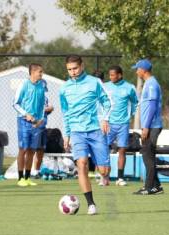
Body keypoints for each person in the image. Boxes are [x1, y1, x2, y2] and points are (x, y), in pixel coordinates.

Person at [59, 55, 112, 215]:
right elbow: (65, 113)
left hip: (96, 130)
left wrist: (104, 118)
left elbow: (107, 101)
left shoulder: (95, 82)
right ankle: (91, 204)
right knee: (81, 164)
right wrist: (67, 134)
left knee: (104, 171)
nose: (72, 72)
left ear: (82, 66)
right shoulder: (64, 88)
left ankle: (102, 172)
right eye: (69, 69)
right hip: (77, 132)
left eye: (75, 68)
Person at [132, 59, 164, 195]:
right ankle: (156, 186)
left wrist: (146, 127)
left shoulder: (151, 84)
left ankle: (148, 187)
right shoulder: (149, 83)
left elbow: (151, 106)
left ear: (144, 70)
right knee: (148, 154)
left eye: (137, 68)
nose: (136, 71)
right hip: (150, 126)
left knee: (147, 155)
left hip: (151, 126)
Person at [105, 65, 138, 186]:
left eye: (113, 75)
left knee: (122, 150)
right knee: (104, 150)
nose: (111, 77)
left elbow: (135, 102)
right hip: (108, 123)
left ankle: (120, 178)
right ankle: (105, 177)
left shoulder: (129, 87)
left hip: (123, 124)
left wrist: (131, 115)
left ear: (120, 75)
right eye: (110, 75)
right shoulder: (106, 87)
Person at [13, 63, 45, 187]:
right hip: (23, 121)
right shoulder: (24, 84)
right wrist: (26, 114)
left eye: (42, 72)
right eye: (40, 72)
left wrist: (40, 119)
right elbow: (15, 103)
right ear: (32, 72)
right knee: (23, 149)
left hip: (36, 124)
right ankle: (20, 178)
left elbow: (42, 104)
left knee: (32, 150)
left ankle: (27, 178)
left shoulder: (41, 86)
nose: (41, 74)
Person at [32, 80, 54, 176]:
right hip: (34, 127)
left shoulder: (45, 98)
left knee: (40, 149)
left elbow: (45, 112)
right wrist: (47, 108)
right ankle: (30, 170)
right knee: (32, 149)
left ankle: (36, 171)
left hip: (42, 126)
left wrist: (49, 109)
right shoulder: (32, 96)